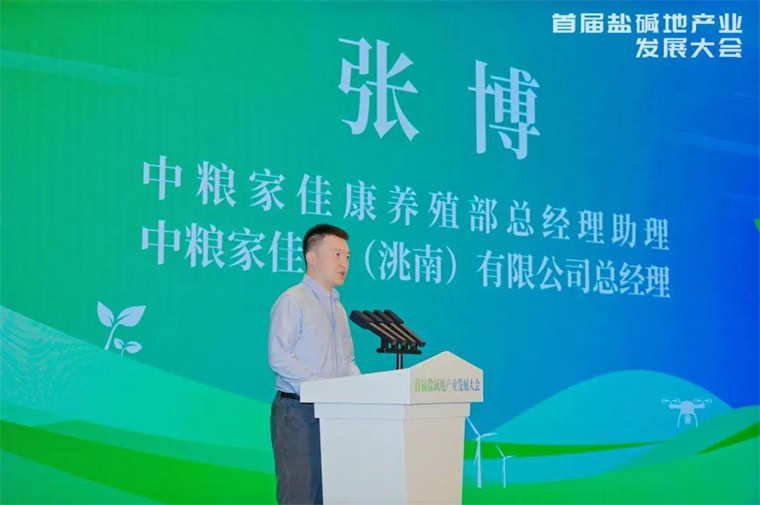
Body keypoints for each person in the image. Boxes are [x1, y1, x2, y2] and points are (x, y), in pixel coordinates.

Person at [268, 223, 361, 505]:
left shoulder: (338, 308)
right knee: (300, 495)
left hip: (333, 413)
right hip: (298, 413)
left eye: (347, 256)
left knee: (329, 495)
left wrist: (364, 391)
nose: (344, 263)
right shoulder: (292, 300)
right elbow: (279, 355)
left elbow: (348, 361)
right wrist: (320, 388)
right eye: (336, 254)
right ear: (312, 257)